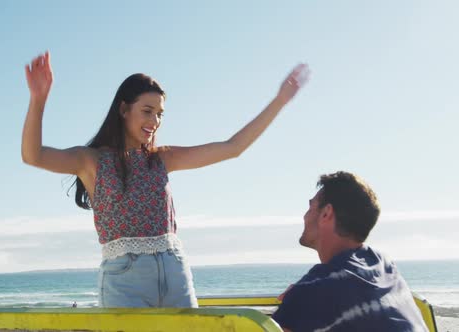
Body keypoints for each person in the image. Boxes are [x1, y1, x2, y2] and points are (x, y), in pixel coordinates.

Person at [22, 51, 309, 308]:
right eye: (147, 111)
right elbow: (33, 155)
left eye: (159, 114)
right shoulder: (91, 160)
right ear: (123, 110)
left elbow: (233, 148)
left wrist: (279, 101)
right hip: (125, 280)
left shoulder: (161, 158)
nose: (155, 122)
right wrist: (38, 99)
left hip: (175, 273)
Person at [272, 171, 428, 332]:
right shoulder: (384, 265)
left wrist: (299, 297)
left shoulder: (313, 290)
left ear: (326, 213)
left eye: (310, 206)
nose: (305, 216)